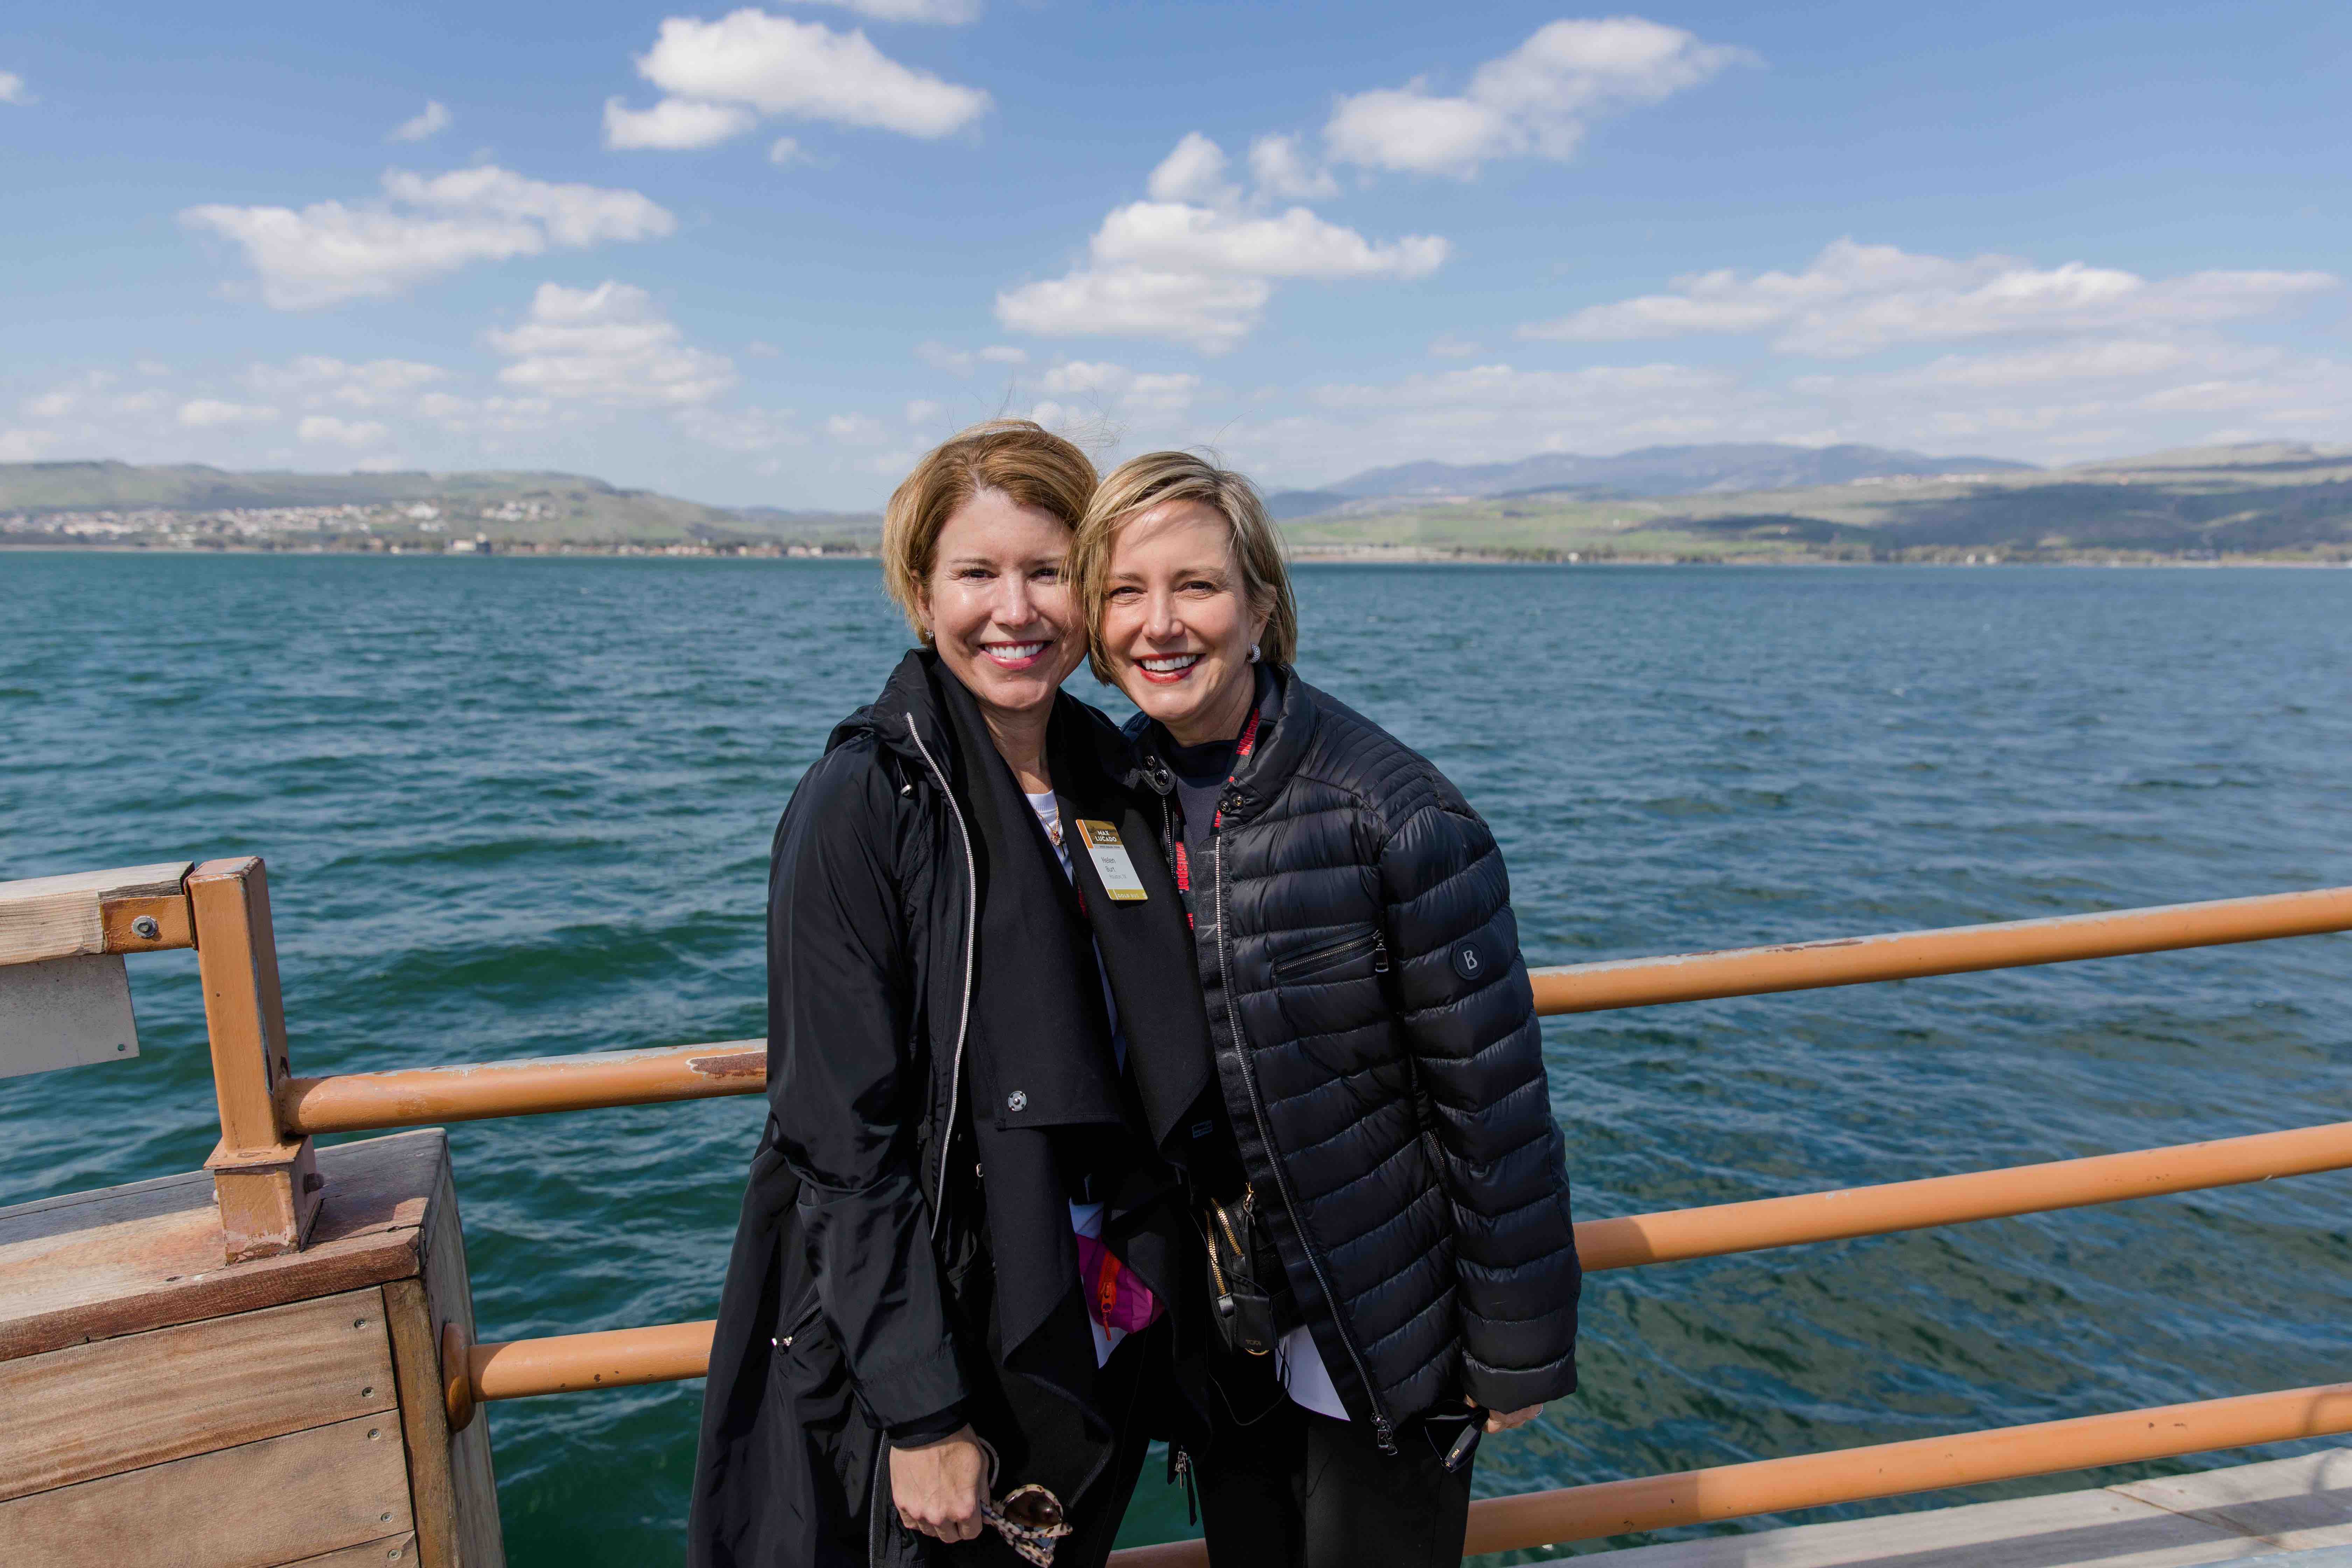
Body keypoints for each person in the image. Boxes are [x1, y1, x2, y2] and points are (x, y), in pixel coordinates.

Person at [688, 422, 1217, 1568]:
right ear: (921, 594)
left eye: (1045, 572)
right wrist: (922, 1410)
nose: (1014, 611)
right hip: (947, 1333)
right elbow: (842, 1140)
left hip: (1100, 1313)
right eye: (977, 574)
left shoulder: (1112, 774)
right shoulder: (867, 801)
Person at [1067, 451, 1584, 1568]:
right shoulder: (1114, 792)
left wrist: (1516, 1348)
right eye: (1124, 591)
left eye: (1197, 586)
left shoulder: (1387, 813)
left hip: (1382, 1321)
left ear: (1261, 605)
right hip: (1225, 1317)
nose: (1161, 623)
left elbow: (1492, 1097)